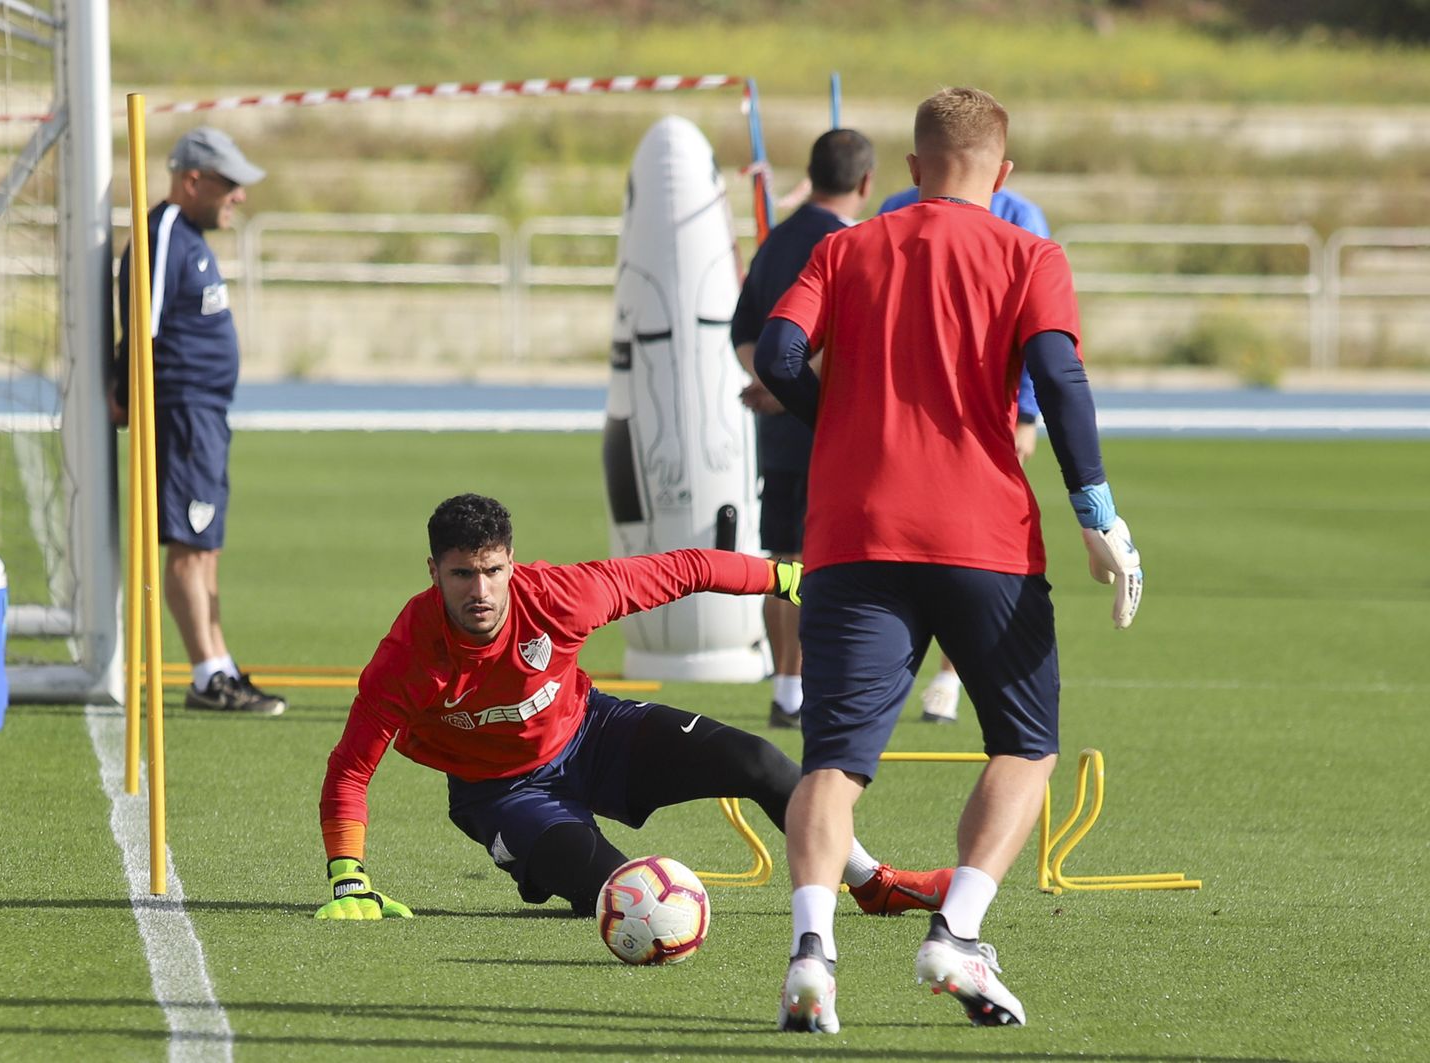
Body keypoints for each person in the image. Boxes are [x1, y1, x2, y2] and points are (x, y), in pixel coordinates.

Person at [754, 87, 1143, 1033]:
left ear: (912, 170)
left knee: (834, 763)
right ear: (1003, 176)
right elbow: (1061, 377)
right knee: (1025, 744)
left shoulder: (842, 248)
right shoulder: (1029, 252)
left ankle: (813, 952)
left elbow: (774, 352)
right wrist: (1099, 515)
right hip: (985, 540)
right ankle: (957, 931)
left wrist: (836, 422)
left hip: (852, 538)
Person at [313, 493, 953, 922]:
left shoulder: (563, 596)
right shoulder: (406, 656)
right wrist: (348, 876)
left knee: (759, 760)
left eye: (493, 570)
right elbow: (350, 770)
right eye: (461, 575)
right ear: (433, 571)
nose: (480, 590)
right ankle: (548, 865)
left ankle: (871, 882)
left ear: (511, 563)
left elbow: (688, 568)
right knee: (629, 898)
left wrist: (789, 580)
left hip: (592, 734)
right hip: (500, 793)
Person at [113, 127, 285, 715]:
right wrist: (125, 390)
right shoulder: (162, 232)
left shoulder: (187, 236)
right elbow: (145, 320)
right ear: (193, 180)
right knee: (190, 543)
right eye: (229, 183)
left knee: (205, 541)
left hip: (204, 414)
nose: (238, 196)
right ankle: (207, 674)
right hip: (182, 412)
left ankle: (220, 662)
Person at [878, 183, 1050, 725]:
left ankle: (950, 676)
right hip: (906, 414)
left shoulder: (1021, 216)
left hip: (985, 416)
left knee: (970, 542)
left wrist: (1025, 412)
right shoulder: (894, 210)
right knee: (897, 541)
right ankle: (885, 670)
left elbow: (1037, 323)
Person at [732, 130, 876, 731]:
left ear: (812, 174)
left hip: (779, 427)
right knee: (825, 560)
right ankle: (815, 686)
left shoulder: (776, 242)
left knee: (781, 556)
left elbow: (745, 334)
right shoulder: (857, 247)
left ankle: (787, 686)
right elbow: (857, 340)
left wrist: (770, 385)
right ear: (866, 184)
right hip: (832, 427)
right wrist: (800, 386)